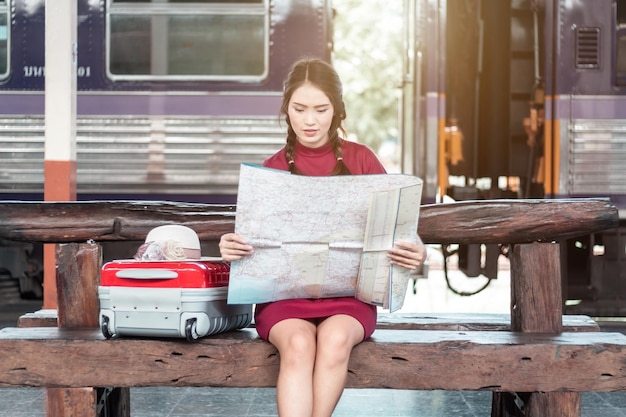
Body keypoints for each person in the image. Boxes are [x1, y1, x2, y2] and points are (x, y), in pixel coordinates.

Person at [219, 58, 426, 417]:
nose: (310, 120)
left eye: (321, 109)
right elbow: (255, 243)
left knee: (333, 341)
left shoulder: (363, 161)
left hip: (350, 298)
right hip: (284, 299)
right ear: (287, 110)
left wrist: (416, 251)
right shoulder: (271, 169)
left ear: (337, 111)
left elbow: (400, 231)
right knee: (298, 344)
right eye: (299, 109)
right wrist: (232, 248)